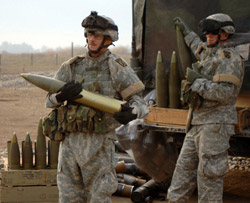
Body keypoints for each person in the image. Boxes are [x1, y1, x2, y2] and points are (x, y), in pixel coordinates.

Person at [45, 11, 148, 203]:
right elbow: (48, 101)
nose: (92, 39)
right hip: (69, 147)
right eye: (89, 34)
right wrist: (61, 96)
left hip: (99, 148)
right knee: (68, 198)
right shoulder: (71, 67)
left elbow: (141, 104)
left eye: (97, 35)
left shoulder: (116, 67)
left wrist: (132, 113)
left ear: (108, 39)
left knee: (99, 198)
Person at [167, 13, 244, 202]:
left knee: (208, 178)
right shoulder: (210, 53)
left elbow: (225, 93)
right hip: (197, 123)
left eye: (212, 32)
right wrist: (186, 32)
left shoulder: (229, 59)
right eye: (206, 33)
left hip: (215, 125)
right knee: (182, 174)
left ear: (224, 34)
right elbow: (196, 45)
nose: (207, 36)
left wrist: (197, 83)